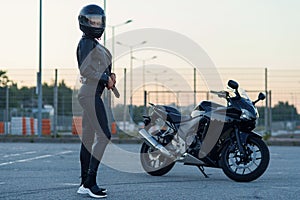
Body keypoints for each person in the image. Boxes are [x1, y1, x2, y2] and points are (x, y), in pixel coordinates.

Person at [75, 4, 116, 198]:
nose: (96, 24)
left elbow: (99, 68)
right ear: (84, 22)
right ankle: (91, 181)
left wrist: (110, 76)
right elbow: (85, 69)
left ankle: (84, 183)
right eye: (92, 20)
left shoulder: (94, 43)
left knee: (89, 139)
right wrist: (104, 78)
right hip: (89, 94)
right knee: (105, 134)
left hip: (92, 94)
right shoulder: (86, 43)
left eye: (98, 20)